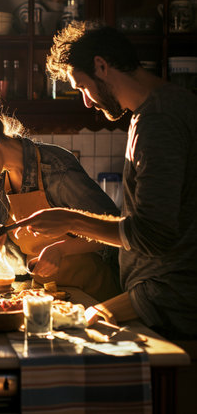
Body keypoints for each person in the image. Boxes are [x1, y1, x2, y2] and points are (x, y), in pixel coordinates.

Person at [14, 20, 197, 339]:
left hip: (168, 302)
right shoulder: (164, 108)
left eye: (83, 86)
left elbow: (153, 235)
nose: (86, 101)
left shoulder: (159, 121)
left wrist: (71, 220)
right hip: (160, 297)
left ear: (101, 66)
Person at [0, 86, 122, 302]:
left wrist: (60, 250)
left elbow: (115, 230)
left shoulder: (55, 167)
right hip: (44, 295)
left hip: (92, 293)